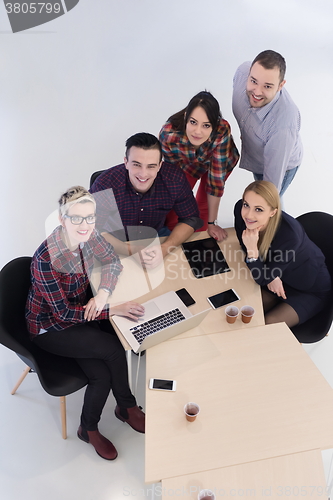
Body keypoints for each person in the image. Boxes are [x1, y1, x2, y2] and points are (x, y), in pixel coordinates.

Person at [25, 186, 145, 461]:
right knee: (114, 347)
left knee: (101, 375)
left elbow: (113, 262)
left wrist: (102, 295)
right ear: (62, 218)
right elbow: (64, 314)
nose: (84, 224)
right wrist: (113, 308)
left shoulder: (90, 236)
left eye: (90, 217)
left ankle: (88, 427)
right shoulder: (45, 260)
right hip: (49, 326)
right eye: (76, 218)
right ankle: (125, 407)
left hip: (81, 313)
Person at [90, 132, 203, 269]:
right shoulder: (105, 184)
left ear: (160, 165)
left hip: (156, 234)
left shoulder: (175, 179)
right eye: (137, 165)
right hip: (114, 240)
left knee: (182, 273)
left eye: (151, 166)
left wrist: (165, 249)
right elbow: (92, 229)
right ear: (126, 162)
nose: (143, 174)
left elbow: (190, 218)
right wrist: (130, 250)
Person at [234, 181, 331, 331]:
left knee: (268, 325)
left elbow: (261, 276)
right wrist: (272, 275)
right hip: (277, 277)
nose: (248, 214)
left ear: (273, 212)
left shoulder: (289, 235)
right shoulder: (240, 212)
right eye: (246, 205)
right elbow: (243, 244)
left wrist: (254, 251)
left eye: (258, 209)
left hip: (309, 288)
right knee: (243, 311)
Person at [159, 91, 239, 241]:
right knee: (177, 202)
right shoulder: (169, 135)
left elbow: (215, 183)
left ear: (214, 126)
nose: (197, 131)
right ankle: (171, 238)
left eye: (206, 125)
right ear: (186, 118)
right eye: (193, 122)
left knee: (203, 204)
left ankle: (198, 242)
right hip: (188, 164)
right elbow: (172, 178)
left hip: (219, 163)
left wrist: (212, 223)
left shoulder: (222, 130)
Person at [232, 50, 303, 195]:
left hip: (281, 165)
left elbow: (270, 191)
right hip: (258, 155)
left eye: (267, 86)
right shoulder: (242, 72)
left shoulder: (282, 127)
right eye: (253, 81)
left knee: (269, 204)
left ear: (280, 85)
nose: (257, 92)